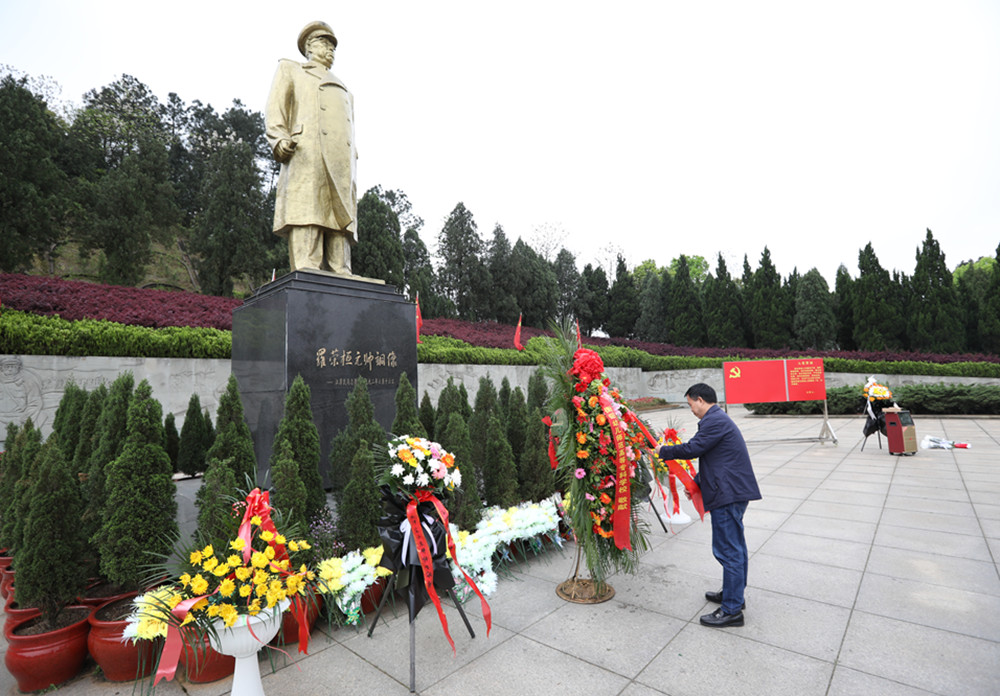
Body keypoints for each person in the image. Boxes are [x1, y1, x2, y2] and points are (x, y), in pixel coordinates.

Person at [658, 383, 761, 627]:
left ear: (701, 400)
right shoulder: (717, 419)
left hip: (728, 494)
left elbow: (694, 448)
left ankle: (732, 610)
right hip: (730, 490)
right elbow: (713, 457)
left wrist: (663, 451)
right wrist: (696, 483)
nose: (691, 410)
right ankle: (733, 594)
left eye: (691, 404)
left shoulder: (714, 420)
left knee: (728, 550)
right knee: (735, 546)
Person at [266, 20, 358, 275]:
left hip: (341, 160)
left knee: (339, 215)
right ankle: (308, 263)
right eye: (325, 43)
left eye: (333, 47)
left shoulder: (346, 91)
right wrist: (279, 139)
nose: (331, 50)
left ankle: (341, 265)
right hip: (307, 151)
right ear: (309, 46)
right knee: (308, 208)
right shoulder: (292, 70)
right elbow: (276, 111)